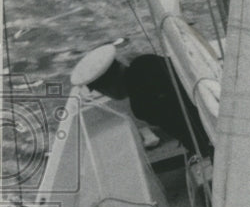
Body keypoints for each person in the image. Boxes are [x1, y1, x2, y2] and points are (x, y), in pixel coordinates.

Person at [70, 44, 213, 157]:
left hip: (209, 136)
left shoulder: (140, 105)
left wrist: (201, 153)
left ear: (109, 87)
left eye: (103, 91)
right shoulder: (147, 61)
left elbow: (182, 128)